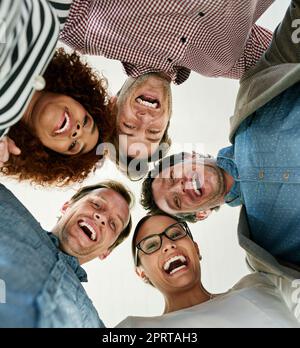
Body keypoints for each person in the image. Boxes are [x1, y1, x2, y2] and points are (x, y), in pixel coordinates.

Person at [141, 0, 300, 315]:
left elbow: (291, 36)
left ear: (193, 155)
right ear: (201, 215)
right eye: (177, 202)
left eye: (173, 176)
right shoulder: (265, 253)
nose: (181, 187)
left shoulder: (255, 96)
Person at [59, 0, 274, 163]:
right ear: (167, 118)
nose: (144, 120)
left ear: (114, 103)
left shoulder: (86, 30)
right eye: (153, 132)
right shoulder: (225, 62)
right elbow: (289, 57)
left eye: (129, 125)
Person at [0, 1, 115, 186]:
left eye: (73, 146)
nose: (77, 132)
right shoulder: (54, 23)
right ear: (78, 97)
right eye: (86, 121)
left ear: (45, 151)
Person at [117, 215, 299, 328]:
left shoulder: (260, 284)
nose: (169, 245)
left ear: (196, 249)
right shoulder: (136, 329)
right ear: (142, 273)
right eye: (152, 245)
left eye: (175, 234)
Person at [0, 180, 134, 328]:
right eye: (96, 204)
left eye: (113, 224)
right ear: (67, 206)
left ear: (106, 252)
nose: (102, 217)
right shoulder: (4, 203)